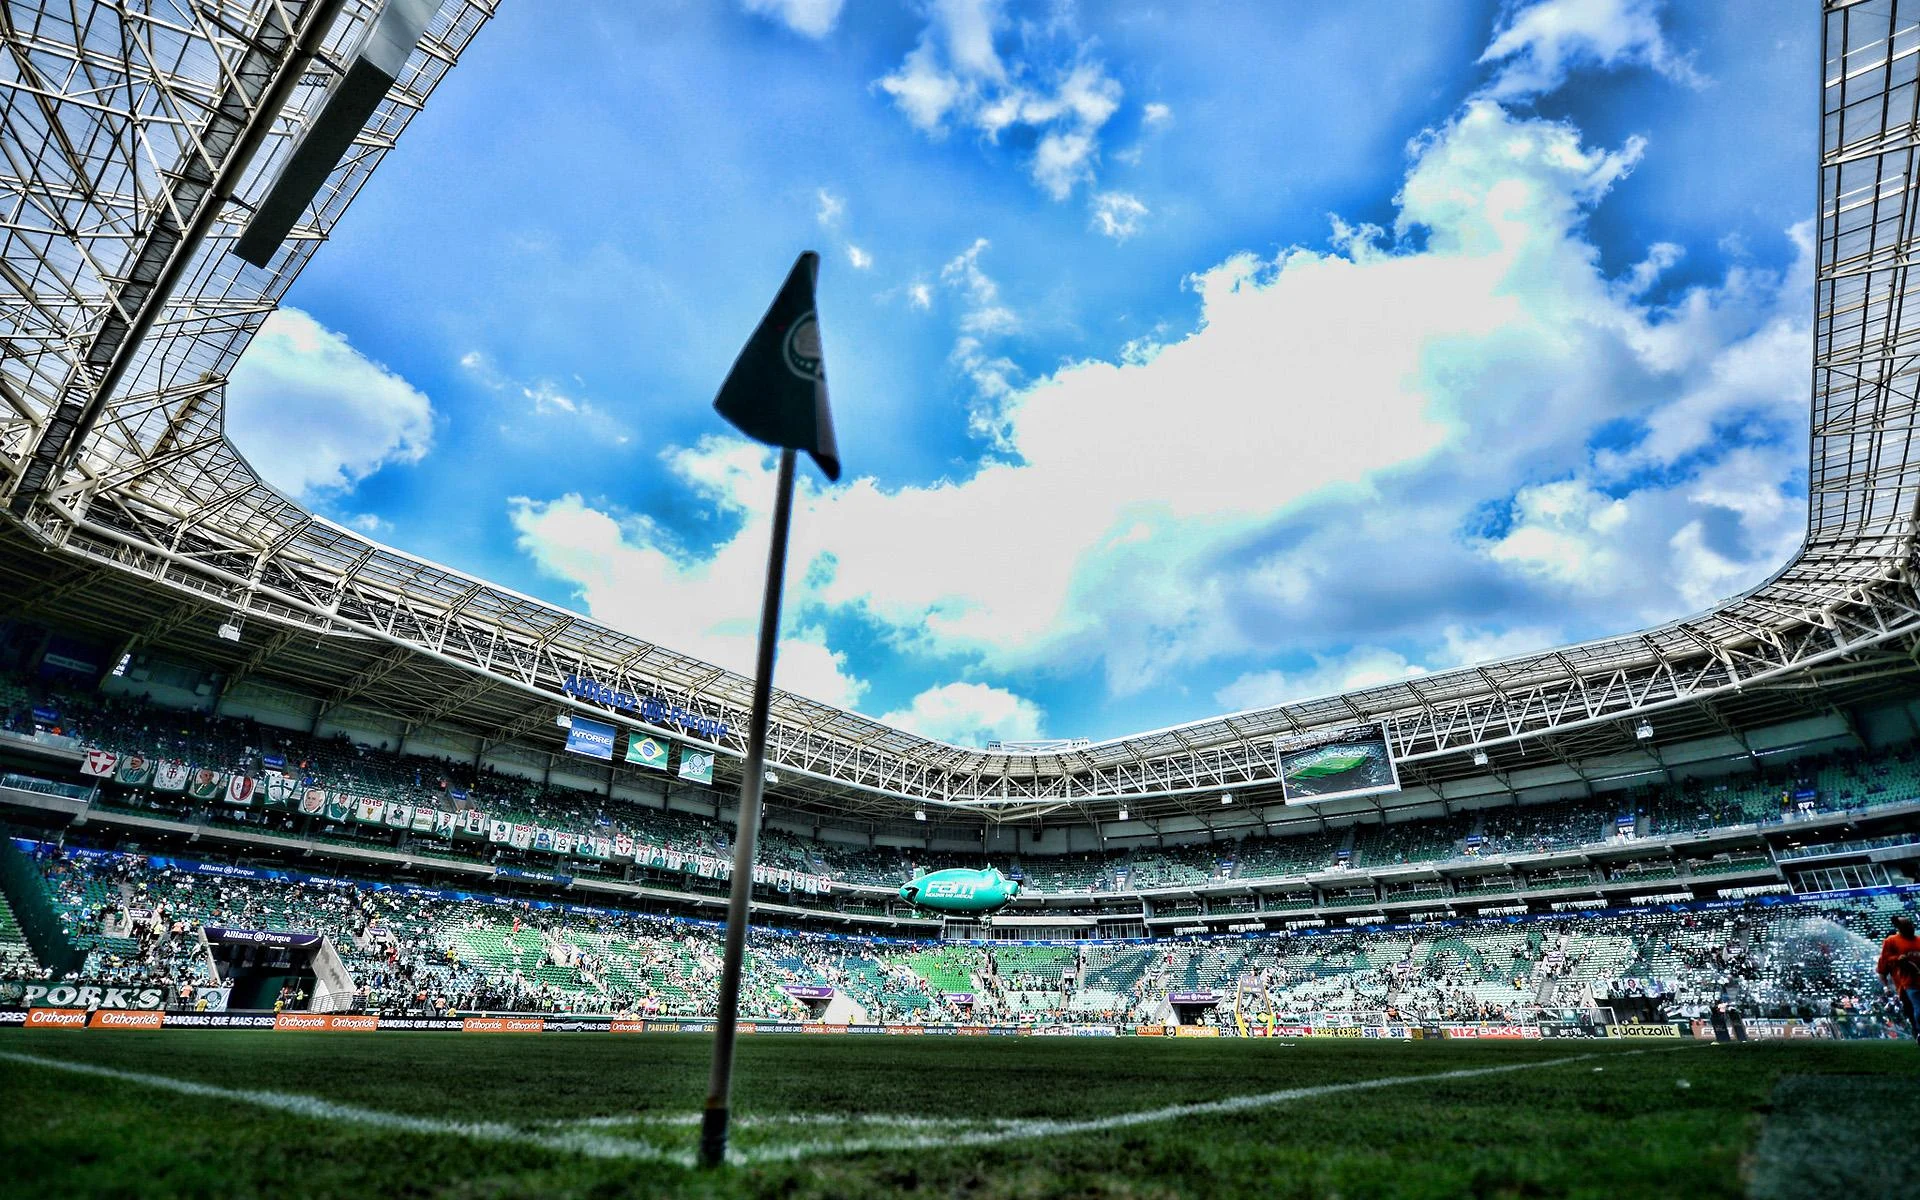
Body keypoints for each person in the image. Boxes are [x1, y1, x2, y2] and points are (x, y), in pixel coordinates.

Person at [1875, 913, 1920, 1045]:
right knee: (1912, 1010)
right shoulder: (1890, 946)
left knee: (1916, 1008)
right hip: (1904, 985)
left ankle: (1917, 1031)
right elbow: (1882, 971)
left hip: (1914, 982)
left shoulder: (1917, 941)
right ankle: (1916, 1031)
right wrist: (1886, 987)